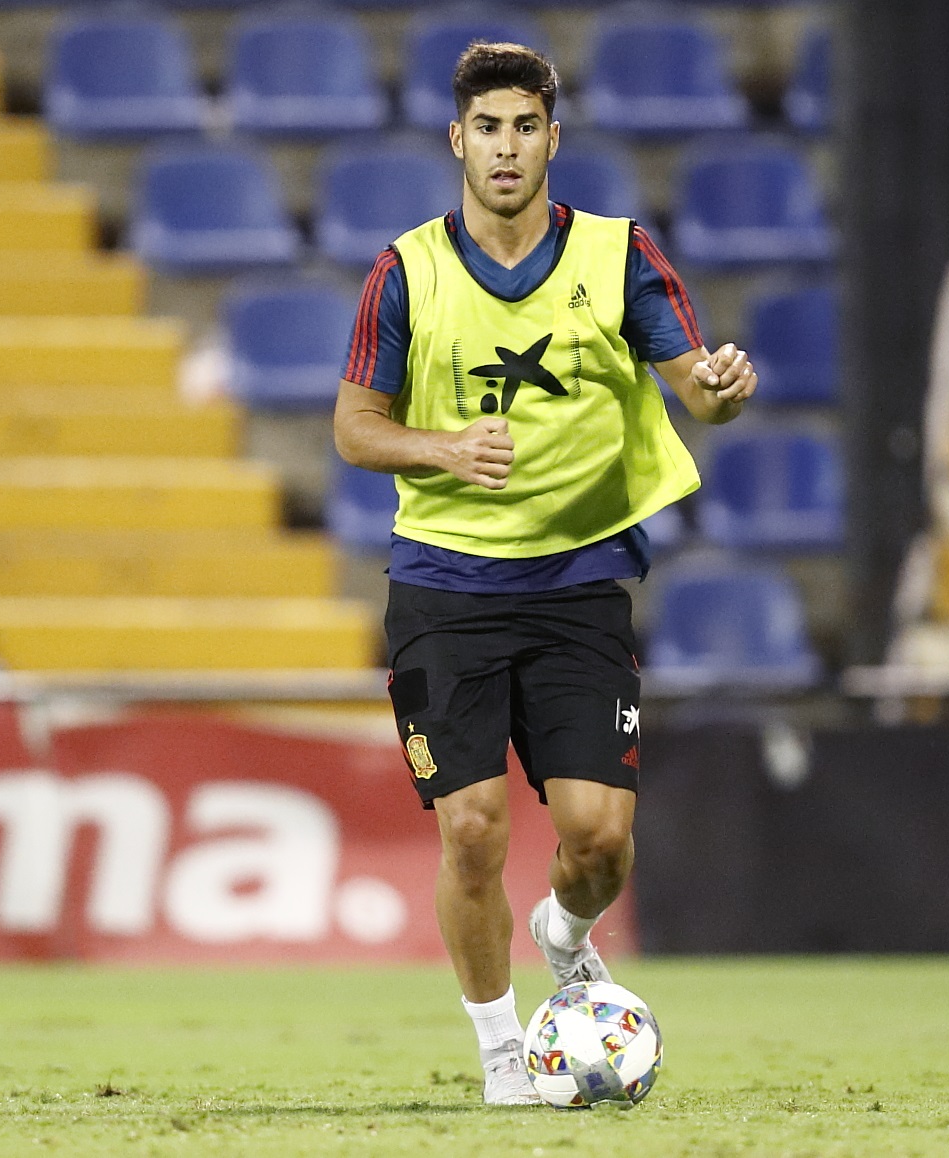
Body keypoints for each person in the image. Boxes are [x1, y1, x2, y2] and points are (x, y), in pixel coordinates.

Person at [333, 42, 757, 1106]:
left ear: (552, 138)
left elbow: (694, 388)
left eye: (525, 127)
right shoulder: (405, 271)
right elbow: (353, 427)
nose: (506, 147)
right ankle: (500, 1054)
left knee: (600, 841)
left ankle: (564, 933)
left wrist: (718, 391)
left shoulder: (617, 256)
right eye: (487, 128)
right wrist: (441, 449)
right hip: (445, 591)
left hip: (576, 587)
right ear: (457, 139)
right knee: (472, 828)